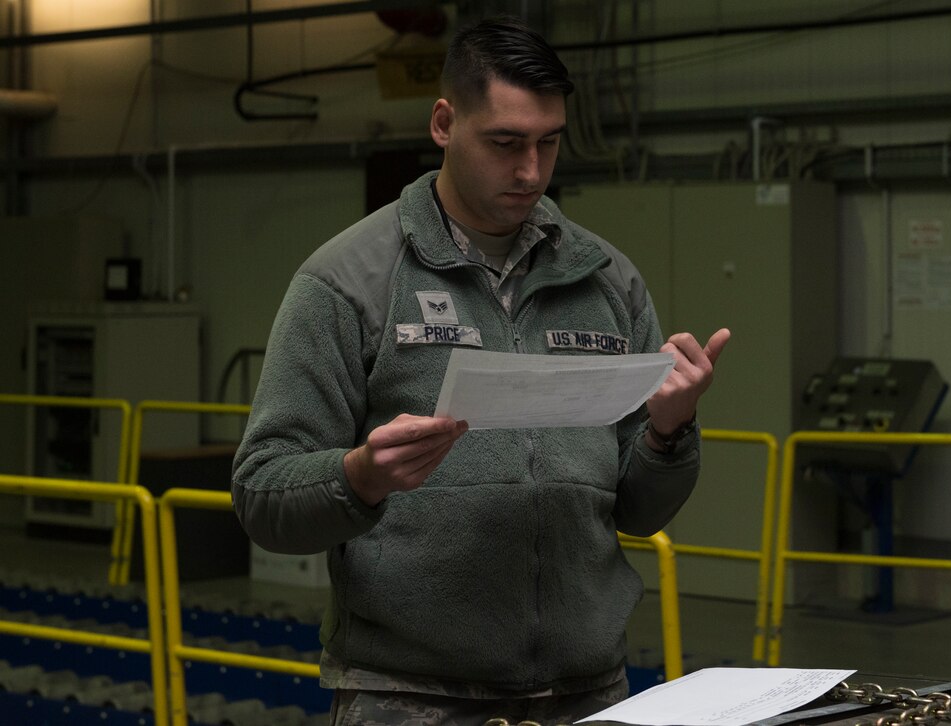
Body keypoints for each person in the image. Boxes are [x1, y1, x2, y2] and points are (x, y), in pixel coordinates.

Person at [232, 14, 731, 726]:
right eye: (505, 143)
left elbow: (641, 512)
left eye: (548, 142)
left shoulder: (606, 281)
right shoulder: (349, 281)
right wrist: (359, 476)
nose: (530, 170)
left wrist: (668, 433)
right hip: (410, 697)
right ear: (444, 123)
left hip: (585, 694)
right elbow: (261, 494)